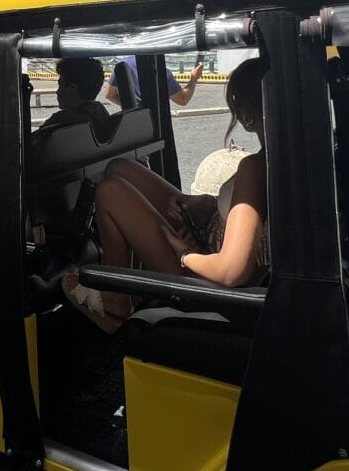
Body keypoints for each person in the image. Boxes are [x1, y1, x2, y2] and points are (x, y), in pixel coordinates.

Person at [69, 58, 268, 331]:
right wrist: (206, 204)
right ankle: (132, 287)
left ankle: (117, 300)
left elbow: (231, 271)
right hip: (207, 237)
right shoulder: (278, 160)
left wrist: (183, 252)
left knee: (110, 191)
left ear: (246, 116)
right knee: (120, 167)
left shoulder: (255, 168)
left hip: (205, 283)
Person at [41, 57, 113, 140]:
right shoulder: (102, 114)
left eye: (60, 86)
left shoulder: (60, 121)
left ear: (72, 89)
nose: (57, 92)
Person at [104, 55, 203, 107]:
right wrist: (193, 78)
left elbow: (109, 94)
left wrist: (131, 107)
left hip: (131, 120)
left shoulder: (122, 65)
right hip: (156, 123)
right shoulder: (162, 71)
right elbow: (182, 100)